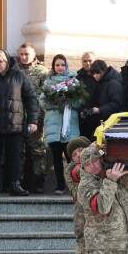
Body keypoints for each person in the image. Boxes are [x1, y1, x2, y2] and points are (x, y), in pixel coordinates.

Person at [0, 49, 38, 196]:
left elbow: (30, 98)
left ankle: (15, 184)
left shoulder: (19, 75)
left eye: (0, 61)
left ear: (6, 62)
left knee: (14, 156)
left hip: (16, 124)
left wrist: (33, 120)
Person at [40, 54, 82, 194]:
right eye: (57, 65)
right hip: (54, 125)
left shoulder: (74, 81)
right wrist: (58, 103)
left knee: (72, 157)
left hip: (70, 125)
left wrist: (69, 101)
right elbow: (43, 102)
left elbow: (80, 101)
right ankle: (60, 185)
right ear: (53, 66)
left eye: (62, 65)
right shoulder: (47, 82)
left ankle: (75, 185)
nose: (60, 67)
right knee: (57, 158)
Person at [17, 43, 49, 193]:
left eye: (27, 54)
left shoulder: (42, 72)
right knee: (19, 151)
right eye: (21, 54)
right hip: (17, 117)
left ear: (34, 55)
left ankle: (39, 181)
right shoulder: (14, 71)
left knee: (38, 150)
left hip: (37, 118)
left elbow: (48, 94)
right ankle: (19, 182)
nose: (24, 57)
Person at [80, 60, 123, 140]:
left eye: (98, 73)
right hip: (98, 123)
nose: (96, 76)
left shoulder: (113, 83)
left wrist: (99, 110)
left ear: (104, 71)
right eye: (93, 73)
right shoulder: (97, 83)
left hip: (109, 124)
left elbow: (117, 104)